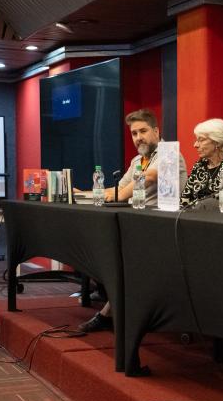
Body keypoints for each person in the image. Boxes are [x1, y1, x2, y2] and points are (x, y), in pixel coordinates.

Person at [79, 108, 187, 332]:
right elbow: (118, 188)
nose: (138, 138)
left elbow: (147, 178)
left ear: (156, 131)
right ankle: (109, 298)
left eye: (143, 131)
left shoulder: (169, 154)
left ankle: (108, 313)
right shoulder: (138, 160)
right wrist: (84, 194)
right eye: (134, 133)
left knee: (125, 253)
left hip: (164, 227)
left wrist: (117, 196)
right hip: (138, 223)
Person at [180, 118, 223, 207]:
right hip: (196, 214)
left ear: (217, 142)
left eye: (201, 140)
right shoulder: (200, 165)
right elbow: (184, 200)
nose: (195, 145)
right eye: (196, 140)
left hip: (221, 215)